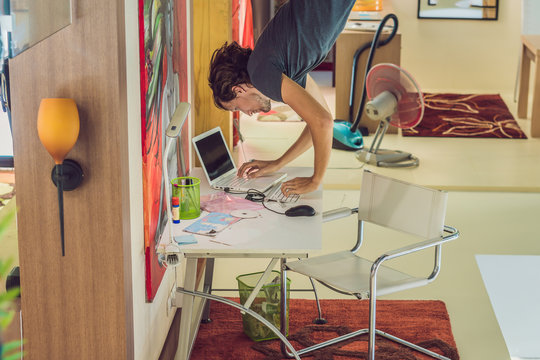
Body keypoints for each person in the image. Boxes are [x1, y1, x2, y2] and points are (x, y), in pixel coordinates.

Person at [208, 0, 356, 195]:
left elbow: (323, 122)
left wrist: (315, 179)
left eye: (237, 108)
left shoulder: (261, 75)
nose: (248, 114)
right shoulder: (283, 65)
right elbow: (320, 119)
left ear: (238, 90)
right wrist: (277, 164)